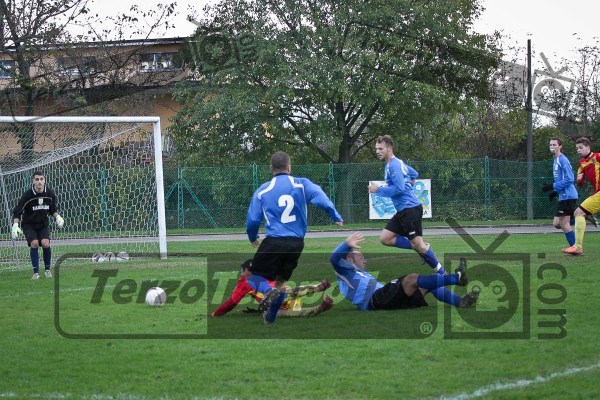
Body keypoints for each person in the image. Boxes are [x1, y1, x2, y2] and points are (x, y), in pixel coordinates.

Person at [246, 151, 343, 324]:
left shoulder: (263, 190)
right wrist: (334, 214)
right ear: (289, 167)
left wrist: (252, 236)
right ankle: (270, 317)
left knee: (253, 278)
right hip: (296, 243)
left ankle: (268, 292)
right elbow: (319, 196)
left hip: (274, 241)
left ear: (271, 168)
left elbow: (253, 219)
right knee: (281, 283)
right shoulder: (302, 184)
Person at [330, 232, 479, 311]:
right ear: (349, 260)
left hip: (387, 299)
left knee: (428, 283)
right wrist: (346, 244)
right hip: (375, 301)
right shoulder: (345, 271)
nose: (365, 261)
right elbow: (334, 258)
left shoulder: (358, 273)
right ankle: (456, 278)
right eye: (361, 257)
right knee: (411, 279)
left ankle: (460, 302)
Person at [368, 135, 445, 275]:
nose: (377, 151)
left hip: (410, 209)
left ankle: (442, 273)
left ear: (389, 148)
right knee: (385, 238)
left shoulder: (394, 165)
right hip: (403, 210)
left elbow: (399, 189)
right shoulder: (395, 163)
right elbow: (414, 174)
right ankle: (421, 247)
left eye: (380, 148)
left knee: (418, 245)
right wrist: (409, 183)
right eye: (376, 149)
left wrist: (378, 190)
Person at [211, 259, 334, 318]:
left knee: (276, 313)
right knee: (288, 291)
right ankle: (316, 287)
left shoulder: (245, 281)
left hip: (274, 303)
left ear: (246, 270)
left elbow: (231, 302)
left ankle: (318, 308)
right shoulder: (265, 271)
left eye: (242, 270)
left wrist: (216, 313)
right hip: (291, 297)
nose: (241, 273)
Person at [11, 171, 64, 280]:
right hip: (29, 225)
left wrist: (58, 217)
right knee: (34, 243)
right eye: (37, 179)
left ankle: (47, 270)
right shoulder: (28, 195)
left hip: (43, 224)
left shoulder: (50, 194)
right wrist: (15, 225)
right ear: (33, 181)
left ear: (44, 180)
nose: (39, 181)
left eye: (41, 179)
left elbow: (53, 209)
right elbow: (17, 212)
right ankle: (36, 273)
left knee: (45, 243)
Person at [562, 137, 600, 256]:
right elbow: (580, 183)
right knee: (580, 213)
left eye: (581, 148)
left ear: (588, 147)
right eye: (577, 148)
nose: (578, 150)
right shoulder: (582, 163)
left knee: (579, 212)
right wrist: (579, 179)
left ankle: (577, 247)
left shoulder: (597, 157)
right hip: (597, 193)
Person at [541, 137, 578, 249]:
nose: (552, 147)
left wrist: (552, 186)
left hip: (568, 196)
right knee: (557, 224)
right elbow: (560, 179)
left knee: (563, 223)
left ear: (560, 146)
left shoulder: (563, 160)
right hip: (563, 196)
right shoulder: (555, 160)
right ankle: (579, 217)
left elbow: (570, 179)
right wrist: (555, 192)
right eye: (550, 145)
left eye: (554, 145)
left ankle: (575, 248)